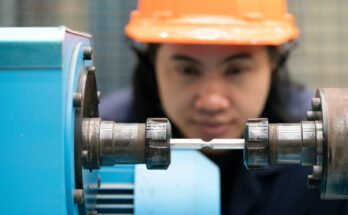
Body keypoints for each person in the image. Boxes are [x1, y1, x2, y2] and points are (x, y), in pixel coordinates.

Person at [100, 0, 348, 214]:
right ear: (151, 63)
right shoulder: (97, 142)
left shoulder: (331, 140)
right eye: (187, 70)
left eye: (236, 70)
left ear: (274, 61)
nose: (212, 102)